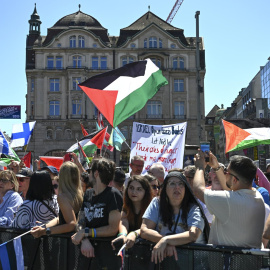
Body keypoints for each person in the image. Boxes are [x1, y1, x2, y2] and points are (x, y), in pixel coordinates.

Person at [193, 151, 265, 248]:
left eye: (226, 172)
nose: (224, 173)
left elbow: (198, 190)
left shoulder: (230, 201)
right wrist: (217, 167)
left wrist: (200, 167)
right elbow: (229, 187)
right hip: (247, 260)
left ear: (234, 180)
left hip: (227, 262)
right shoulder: (256, 195)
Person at [141, 171, 208, 264]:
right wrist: (166, 241)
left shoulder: (193, 208)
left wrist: (166, 240)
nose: (177, 187)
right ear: (164, 188)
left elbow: (193, 234)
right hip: (165, 263)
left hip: (193, 263)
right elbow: (144, 230)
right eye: (172, 184)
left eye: (181, 184)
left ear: (185, 189)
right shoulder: (157, 203)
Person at [71, 158, 123, 269]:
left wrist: (86, 233)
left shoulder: (113, 194)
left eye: (89, 171)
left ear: (96, 173)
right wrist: (84, 239)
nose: (87, 174)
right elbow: (80, 221)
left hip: (107, 259)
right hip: (87, 256)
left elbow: (112, 228)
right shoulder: (88, 193)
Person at [31, 161, 83, 237]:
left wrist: (44, 231)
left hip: (67, 243)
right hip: (77, 240)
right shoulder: (80, 194)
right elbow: (62, 218)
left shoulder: (62, 197)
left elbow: (71, 224)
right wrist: (45, 226)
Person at [111, 175, 153, 250]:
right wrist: (123, 235)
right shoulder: (124, 207)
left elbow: (147, 227)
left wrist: (134, 234)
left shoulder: (152, 208)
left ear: (145, 192)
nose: (134, 192)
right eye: (131, 188)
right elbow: (123, 222)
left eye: (139, 189)